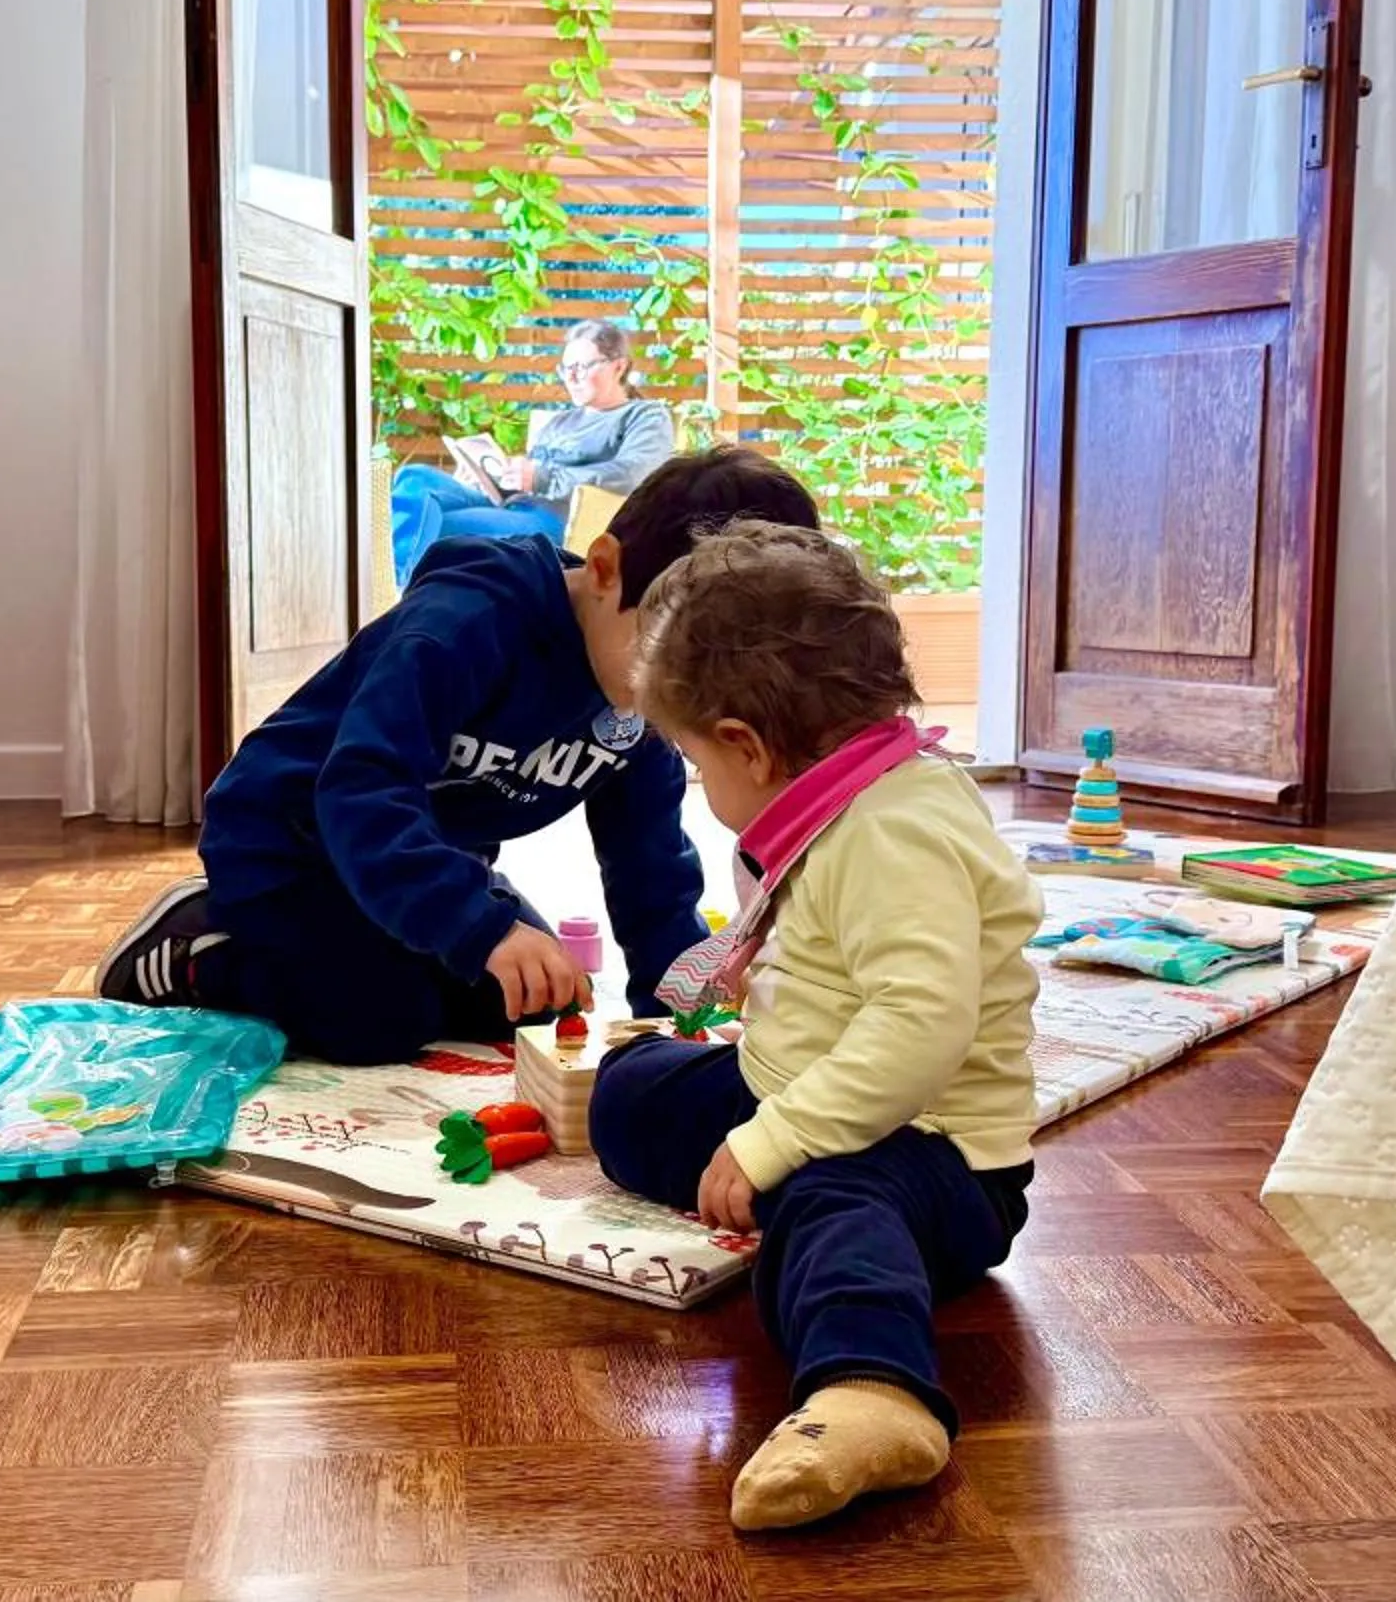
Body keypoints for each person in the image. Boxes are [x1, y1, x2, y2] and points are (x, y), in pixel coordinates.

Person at [585, 522, 1041, 1532]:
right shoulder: (849, 800)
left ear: (746, 742)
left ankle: (872, 1391)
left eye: (698, 763)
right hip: (812, 1087)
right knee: (629, 1094)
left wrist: (775, 1140)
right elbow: (846, 964)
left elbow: (921, 1023)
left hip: (933, 1152)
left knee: (828, 1195)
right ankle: (769, 1159)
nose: (705, 790)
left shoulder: (895, 830)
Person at [94, 447, 821, 1066]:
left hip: (423, 858)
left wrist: (679, 1015)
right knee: (382, 1020)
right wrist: (483, 928)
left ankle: (402, 940)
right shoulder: (466, 625)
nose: (684, 691)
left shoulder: (649, 698)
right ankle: (199, 945)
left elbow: (649, 866)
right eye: (674, 654)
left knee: (534, 1005)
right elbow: (359, 787)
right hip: (291, 846)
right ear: (605, 569)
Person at [387, 318, 679, 585]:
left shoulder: (644, 416)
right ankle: (401, 587)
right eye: (566, 368)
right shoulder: (562, 420)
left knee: (430, 526)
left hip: (557, 522)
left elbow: (636, 475)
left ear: (619, 366)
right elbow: (529, 478)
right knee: (415, 478)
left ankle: (397, 596)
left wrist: (541, 478)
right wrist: (488, 478)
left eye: (584, 366)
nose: (572, 377)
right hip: (514, 506)